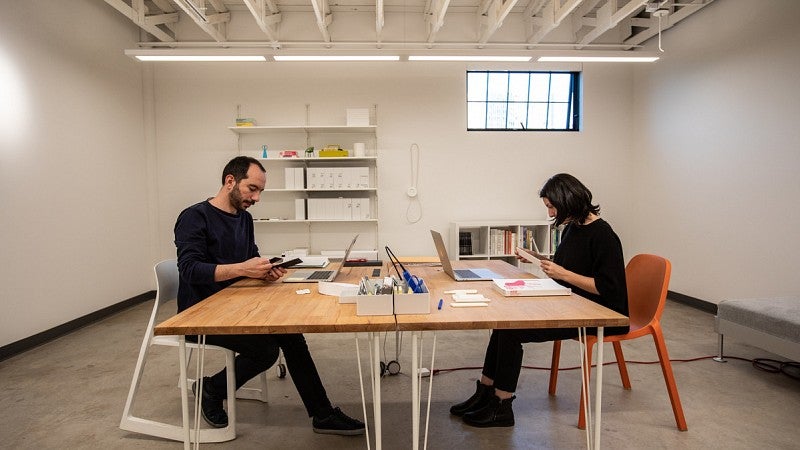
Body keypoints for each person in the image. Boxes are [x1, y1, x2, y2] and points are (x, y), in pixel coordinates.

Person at [174, 155, 365, 436]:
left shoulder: (244, 219)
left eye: (260, 191)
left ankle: (322, 414)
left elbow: (250, 259)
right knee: (265, 351)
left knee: (292, 334)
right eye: (252, 189)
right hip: (200, 314)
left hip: (236, 304)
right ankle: (211, 389)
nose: (257, 197)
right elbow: (190, 269)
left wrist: (264, 270)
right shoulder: (194, 217)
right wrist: (244, 268)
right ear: (230, 181)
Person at [450, 173, 629, 428]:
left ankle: (503, 405)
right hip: (570, 303)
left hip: (598, 314)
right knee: (503, 323)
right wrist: (537, 257)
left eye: (552, 206)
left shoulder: (603, 235)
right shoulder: (573, 228)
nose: (550, 212)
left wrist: (563, 274)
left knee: (512, 331)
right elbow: (568, 266)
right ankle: (485, 392)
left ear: (568, 200)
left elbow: (609, 289)